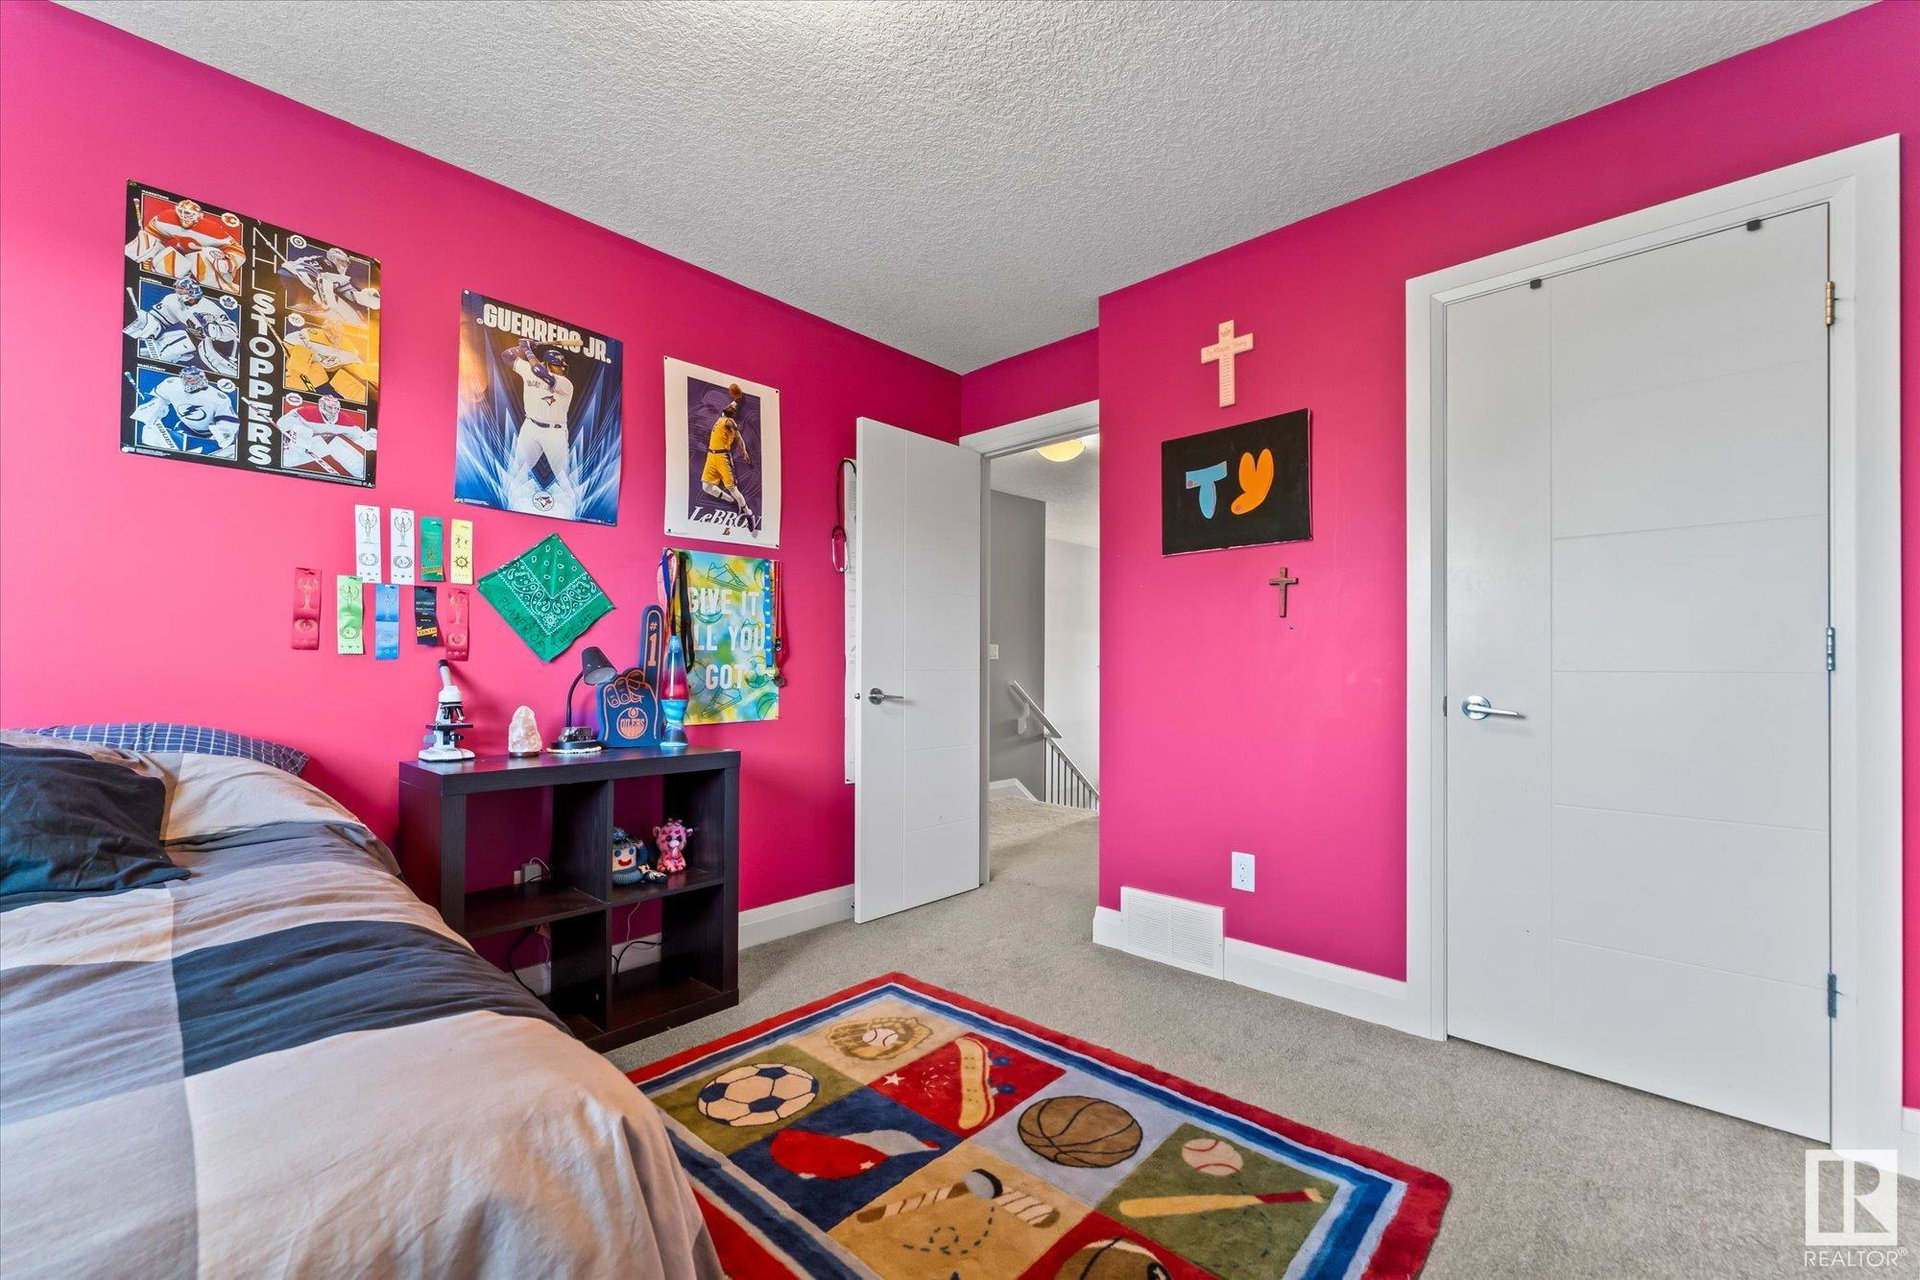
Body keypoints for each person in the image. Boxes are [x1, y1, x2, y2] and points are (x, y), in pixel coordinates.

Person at [505, 337, 576, 515]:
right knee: (517, 471)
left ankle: (571, 513)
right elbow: (506, 355)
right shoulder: (529, 370)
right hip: (530, 428)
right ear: (547, 364)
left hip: (554, 433)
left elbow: (539, 371)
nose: (562, 369)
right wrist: (522, 347)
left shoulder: (565, 384)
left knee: (563, 476)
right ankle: (510, 508)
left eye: (563, 366)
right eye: (557, 365)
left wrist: (528, 350)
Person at [700, 383, 756, 527]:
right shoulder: (724, 415)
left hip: (722, 457)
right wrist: (737, 399)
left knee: (732, 488)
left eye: (730, 409)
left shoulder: (730, 422)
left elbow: (739, 438)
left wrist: (744, 451)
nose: (727, 407)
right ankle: (730, 500)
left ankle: (748, 513)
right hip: (711, 456)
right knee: (706, 487)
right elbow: (732, 405)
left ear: (732, 415)